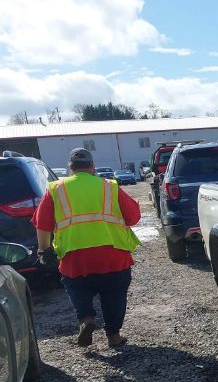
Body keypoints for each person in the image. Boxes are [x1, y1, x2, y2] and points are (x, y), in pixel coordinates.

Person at [32, 148, 141, 347]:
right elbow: (133, 217)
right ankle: (113, 336)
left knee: (78, 290)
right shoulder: (110, 186)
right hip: (113, 254)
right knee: (114, 295)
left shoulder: (56, 188)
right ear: (92, 167)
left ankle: (86, 319)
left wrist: (43, 251)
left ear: (70, 168)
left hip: (75, 258)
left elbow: (42, 224)